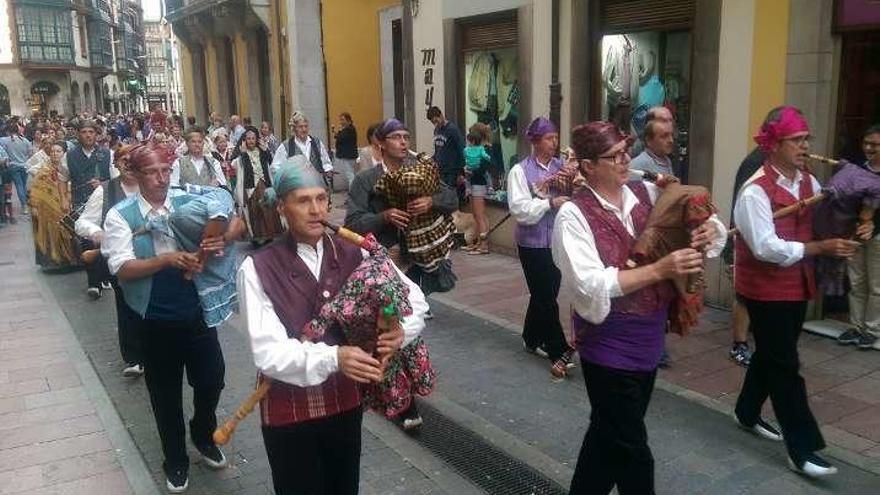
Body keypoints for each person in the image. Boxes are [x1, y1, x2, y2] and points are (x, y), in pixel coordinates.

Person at [238, 155, 425, 494]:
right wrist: (335, 358)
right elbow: (268, 353)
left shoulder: (357, 252)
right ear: (281, 207)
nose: (315, 210)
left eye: (321, 198)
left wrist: (399, 330)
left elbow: (415, 300)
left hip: (344, 404)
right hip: (287, 412)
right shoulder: (257, 267)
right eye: (303, 201)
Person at [555, 121, 725, 494]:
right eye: (613, 155)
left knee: (606, 438)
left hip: (649, 341)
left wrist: (709, 230)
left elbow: (704, 219)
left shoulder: (647, 193)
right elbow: (590, 284)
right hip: (607, 345)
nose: (624, 160)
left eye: (625, 152)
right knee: (633, 452)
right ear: (587, 166)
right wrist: (660, 269)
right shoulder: (572, 216)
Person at [102, 144, 236, 493]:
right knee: (165, 394)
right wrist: (167, 260)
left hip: (196, 306)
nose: (162, 178)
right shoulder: (121, 213)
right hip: (154, 314)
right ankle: (175, 459)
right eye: (152, 172)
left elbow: (229, 209)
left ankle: (203, 432)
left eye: (165, 170)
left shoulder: (185, 196)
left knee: (212, 378)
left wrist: (220, 237)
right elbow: (122, 268)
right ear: (134, 174)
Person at [733, 106, 858, 477]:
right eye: (796, 140)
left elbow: (822, 221)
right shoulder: (754, 191)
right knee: (786, 366)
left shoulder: (810, 183)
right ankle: (801, 447)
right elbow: (765, 248)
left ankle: (746, 411)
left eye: (807, 139)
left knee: (773, 355)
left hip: (797, 285)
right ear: (774, 145)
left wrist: (856, 208)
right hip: (763, 288)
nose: (805, 146)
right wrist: (820, 249)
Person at [507, 117, 576, 377]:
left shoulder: (563, 167)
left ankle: (531, 336)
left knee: (545, 293)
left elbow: (577, 194)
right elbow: (520, 209)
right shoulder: (520, 171)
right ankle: (558, 349)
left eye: (556, 137)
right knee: (546, 298)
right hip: (532, 244)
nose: (555, 143)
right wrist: (549, 204)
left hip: (558, 241)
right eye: (549, 138)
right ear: (535, 141)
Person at [76, 146, 143, 377]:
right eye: (123, 159)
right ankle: (134, 357)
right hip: (119, 260)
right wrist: (97, 232)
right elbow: (82, 222)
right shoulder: (105, 190)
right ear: (116, 163)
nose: (128, 163)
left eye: (133, 159)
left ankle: (156, 351)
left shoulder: (152, 185)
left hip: (151, 258)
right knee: (126, 305)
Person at [839, 123, 880, 349]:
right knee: (856, 283)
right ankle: (856, 326)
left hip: (878, 237)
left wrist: (874, 225)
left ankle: (872, 329)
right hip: (854, 233)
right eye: (866, 143)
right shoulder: (856, 170)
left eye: (875, 144)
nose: (869, 148)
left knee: (877, 286)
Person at [67, 120, 113, 299]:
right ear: (78, 134)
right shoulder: (70, 155)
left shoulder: (107, 154)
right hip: (81, 202)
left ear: (97, 134)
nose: (88, 135)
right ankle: (93, 283)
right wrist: (64, 198)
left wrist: (103, 184)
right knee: (86, 240)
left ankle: (103, 274)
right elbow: (63, 177)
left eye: (91, 132)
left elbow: (116, 177)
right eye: (84, 132)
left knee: (103, 239)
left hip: (103, 201)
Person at [29, 141, 77, 269]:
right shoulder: (44, 170)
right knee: (50, 232)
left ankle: (70, 260)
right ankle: (53, 262)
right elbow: (36, 189)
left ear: (64, 153)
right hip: (47, 209)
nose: (55, 154)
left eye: (58, 151)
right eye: (52, 151)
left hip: (66, 206)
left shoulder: (69, 168)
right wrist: (34, 206)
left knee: (67, 231)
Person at [233, 126, 283, 245]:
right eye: (248, 138)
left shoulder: (261, 151)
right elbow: (241, 169)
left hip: (264, 183)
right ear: (244, 140)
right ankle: (256, 236)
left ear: (257, 139)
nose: (251, 141)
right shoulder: (241, 154)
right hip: (251, 187)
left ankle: (269, 234)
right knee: (254, 211)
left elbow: (271, 164)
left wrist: (266, 151)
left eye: (253, 138)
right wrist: (244, 154)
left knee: (267, 208)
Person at [271, 112, 333, 195]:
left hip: (317, 186)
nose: (304, 129)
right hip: (297, 189)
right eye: (300, 127)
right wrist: (287, 178)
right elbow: (275, 167)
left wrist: (328, 171)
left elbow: (326, 163)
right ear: (294, 128)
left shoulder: (317, 143)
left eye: (306, 126)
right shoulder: (286, 146)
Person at [462, 130, 492, 254]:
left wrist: (469, 172)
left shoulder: (481, 152)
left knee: (479, 216)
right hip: (476, 184)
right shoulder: (482, 151)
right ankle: (480, 242)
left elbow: (482, 170)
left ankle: (484, 246)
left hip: (478, 185)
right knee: (478, 215)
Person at [0, 117, 33, 217]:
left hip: (13, 166)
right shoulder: (25, 140)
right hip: (24, 165)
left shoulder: (4, 140)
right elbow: (30, 152)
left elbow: (3, 152)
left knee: (19, 186)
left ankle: (24, 206)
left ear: (8, 131)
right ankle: (25, 203)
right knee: (22, 185)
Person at [427, 106, 465, 188]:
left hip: (452, 172)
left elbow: (461, 150)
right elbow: (438, 150)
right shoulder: (436, 130)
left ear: (441, 115)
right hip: (440, 171)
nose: (436, 124)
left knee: (450, 196)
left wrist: (461, 173)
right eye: (433, 123)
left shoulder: (453, 130)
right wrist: (431, 159)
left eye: (436, 121)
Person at [333, 112, 358, 188]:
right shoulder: (348, 129)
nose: (341, 122)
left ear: (348, 120)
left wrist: (340, 131)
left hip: (348, 155)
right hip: (348, 155)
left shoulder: (349, 129)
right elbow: (338, 137)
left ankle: (352, 191)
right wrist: (337, 132)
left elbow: (341, 138)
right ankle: (353, 190)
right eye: (340, 120)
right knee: (350, 173)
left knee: (350, 174)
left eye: (343, 120)